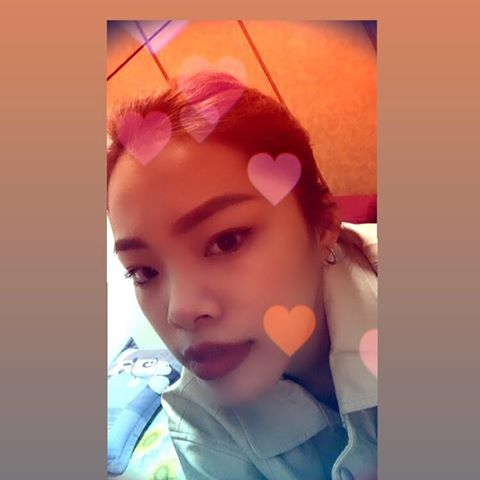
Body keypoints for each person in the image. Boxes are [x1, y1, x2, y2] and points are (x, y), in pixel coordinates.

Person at [107, 71, 377, 480]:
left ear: (322, 221)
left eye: (226, 241)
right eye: (143, 271)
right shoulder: (197, 422)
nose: (180, 311)